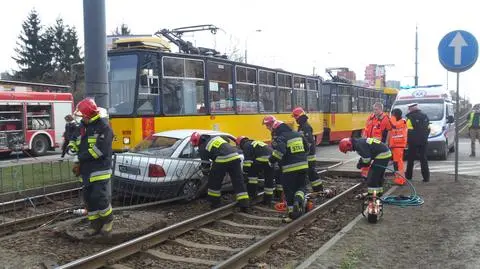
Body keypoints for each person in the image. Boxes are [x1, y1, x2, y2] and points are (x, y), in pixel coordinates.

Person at [69, 98, 114, 236]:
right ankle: (95, 225)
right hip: (86, 170)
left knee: (99, 196)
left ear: (89, 115)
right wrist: (72, 149)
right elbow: (75, 140)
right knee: (89, 198)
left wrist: (80, 157)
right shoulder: (82, 126)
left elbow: (99, 151)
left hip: (100, 169)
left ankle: (108, 221)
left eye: (83, 116)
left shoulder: (104, 127)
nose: (81, 118)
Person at [190, 132, 250, 210]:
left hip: (222, 159)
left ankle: (215, 203)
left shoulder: (202, 147)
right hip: (235, 156)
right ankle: (244, 204)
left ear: (196, 142)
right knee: (238, 181)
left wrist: (206, 173)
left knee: (214, 182)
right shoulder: (214, 138)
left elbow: (205, 165)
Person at [268, 120, 309, 221]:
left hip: (289, 169)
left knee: (289, 191)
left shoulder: (281, 137)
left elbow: (280, 151)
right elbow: (307, 148)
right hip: (303, 166)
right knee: (302, 186)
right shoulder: (298, 134)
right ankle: (298, 199)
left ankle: (292, 215)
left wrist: (271, 160)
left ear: (277, 129)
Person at [291, 107, 323, 192]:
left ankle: (319, 189)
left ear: (300, 117)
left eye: (295, 117)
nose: (295, 119)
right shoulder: (302, 126)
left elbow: (308, 142)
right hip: (307, 154)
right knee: (308, 172)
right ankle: (315, 189)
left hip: (309, 155)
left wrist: (303, 152)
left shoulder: (305, 127)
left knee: (311, 172)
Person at [236, 136, 275, 205]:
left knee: (252, 178)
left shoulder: (246, 145)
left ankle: (252, 195)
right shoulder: (255, 142)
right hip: (272, 159)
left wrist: (245, 172)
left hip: (261, 159)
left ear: (240, 143)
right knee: (269, 179)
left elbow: (248, 161)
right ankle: (268, 199)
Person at [361, 102, 392, 178]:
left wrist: (387, 142)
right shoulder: (370, 117)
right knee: (366, 159)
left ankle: (379, 176)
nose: (374, 111)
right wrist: (364, 137)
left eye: (376, 109)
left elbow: (389, 130)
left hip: (379, 145)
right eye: (374, 109)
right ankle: (365, 175)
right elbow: (366, 128)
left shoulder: (385, 118)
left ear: (381, 109)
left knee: (378, 161)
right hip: (368, 143)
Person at [405, 103, 430, 182]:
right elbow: (429, 128)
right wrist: (424, 137)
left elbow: (407, 130)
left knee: (410, 159)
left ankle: (409, 177)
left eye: (409, 109)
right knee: (423, 159)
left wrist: (408, 140)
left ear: (411, 109)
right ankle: (426, 178)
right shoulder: (425, 116)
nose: (408, 110)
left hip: (413, 142)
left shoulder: (409, 118)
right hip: (423, 141)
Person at [388, 108, 408, 185]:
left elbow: (394, 125)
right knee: (397, 163)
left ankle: (401, 180)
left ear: (395, 115)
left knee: (398, 163)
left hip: (398, 145)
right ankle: (398, 178)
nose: (391, 116)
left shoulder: (402, 122)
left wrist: (391, 117)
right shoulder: (399, 122)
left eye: (392, 114)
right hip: (396, 145)